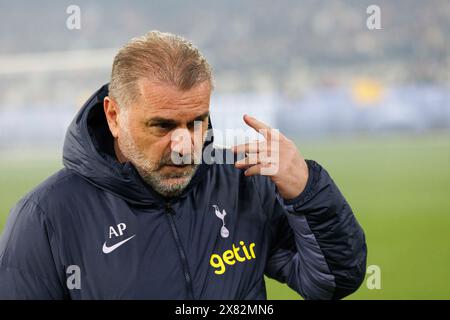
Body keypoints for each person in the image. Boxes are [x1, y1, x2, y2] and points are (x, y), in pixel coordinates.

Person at [0, 31, 366, 299]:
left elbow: (333, 282)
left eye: (196, 122)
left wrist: (307, 191)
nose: (184, 146)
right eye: (161, 125)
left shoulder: (242, 182)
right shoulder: (46, 217)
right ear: (114, 116)